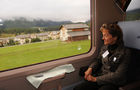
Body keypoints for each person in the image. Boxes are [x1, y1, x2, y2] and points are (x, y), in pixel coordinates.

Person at [73, 23, 130, 90]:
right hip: (100, 76)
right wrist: (90, 68)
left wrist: (95, 79)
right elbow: (98, 60)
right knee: (78, 88)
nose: (102, 38)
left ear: (115, 37)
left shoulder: (125, 52)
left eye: (105, 36)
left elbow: (118, 75)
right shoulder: (105, 47)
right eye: (103, 35)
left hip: (113, 82)